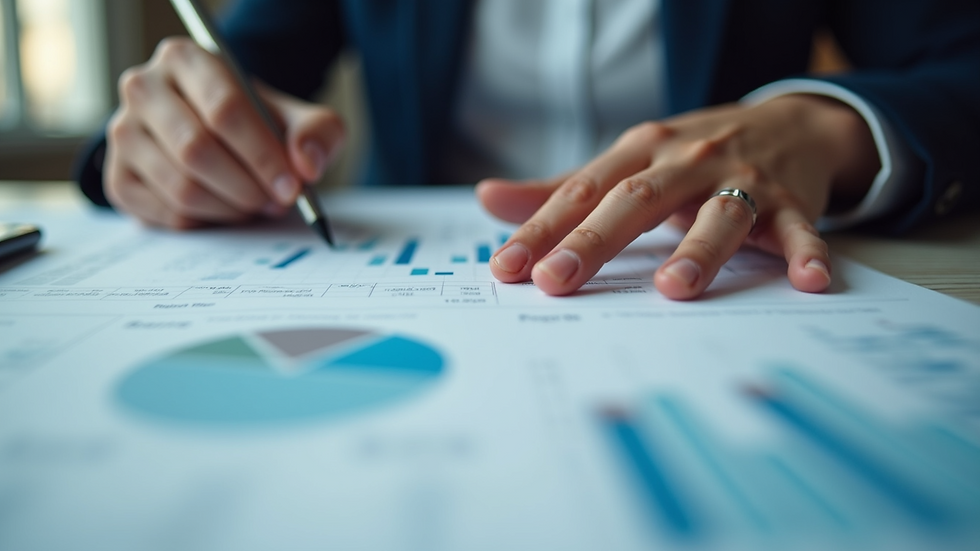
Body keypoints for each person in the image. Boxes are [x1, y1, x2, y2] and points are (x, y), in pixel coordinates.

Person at [74, 0, 980, 300]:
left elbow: (962, 61)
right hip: (410, 287)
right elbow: (236, 68)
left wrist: (825, 126)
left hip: (732, 262)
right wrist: (173, 135)